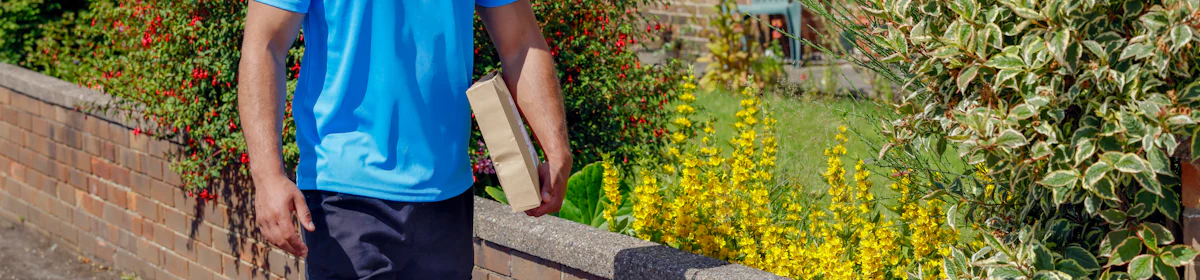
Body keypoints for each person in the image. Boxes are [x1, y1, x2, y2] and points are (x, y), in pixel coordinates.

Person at [236, 0, 572, 278]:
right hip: (345, 194)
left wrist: (557, 149)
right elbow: (265, 42)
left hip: (447, 198)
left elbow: (521, 42)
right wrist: (267, 176)